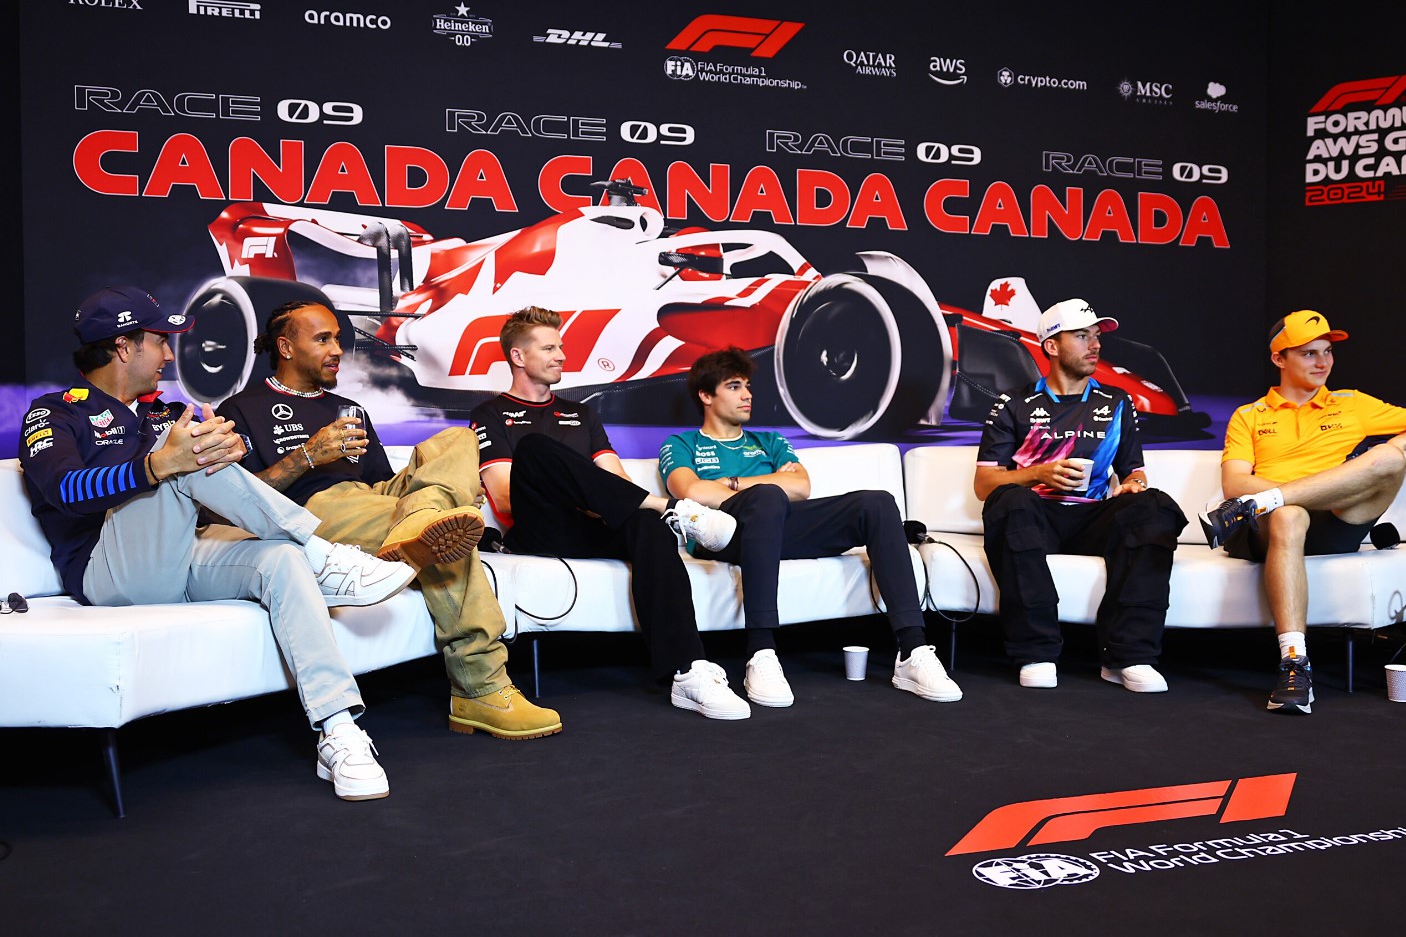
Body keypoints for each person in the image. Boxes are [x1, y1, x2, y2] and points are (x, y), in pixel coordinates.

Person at [22, 286, 415, 801]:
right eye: (160, 341)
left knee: (279, 560)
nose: (169, 354)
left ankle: (338, 730)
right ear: (123, 346)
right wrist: (157, 464)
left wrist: (225, 460)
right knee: (183, 451)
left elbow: (199, 506)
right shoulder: (54, 412)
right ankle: (327, 556)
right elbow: (64, 492)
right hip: (106, 574)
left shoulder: (162, 414)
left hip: (181, 556)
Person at [219, 300, 561, 740]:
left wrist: (440, 488)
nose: (337, 349)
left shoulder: (348, 407)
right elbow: (235, 502)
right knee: (440, 526)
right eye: (323, 339)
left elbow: (383, 482)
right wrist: (308, 456)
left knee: (457, 440)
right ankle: (482, 687)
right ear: (285, 347)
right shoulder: (243, 408)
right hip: (313, 508)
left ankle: (424, 522)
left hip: (373, 500)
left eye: (338, 339)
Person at [469, 307, 749, 719]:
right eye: (549, 348)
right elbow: (508, 500)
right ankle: (674, 510)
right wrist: (600, 498)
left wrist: (610, 502)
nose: (562, 355)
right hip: (538, 528)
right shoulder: (490, 414)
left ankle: (687, 672)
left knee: (648, 524)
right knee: (535, 450)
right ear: (518, 356)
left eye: (560, 346)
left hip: (590, 525)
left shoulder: (583, 414)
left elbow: (619, 484)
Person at [660, 347, 963, 707]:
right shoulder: (682, 444)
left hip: (780, 530)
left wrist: (728, 483)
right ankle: (761, 653)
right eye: (734, 386)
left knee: (876, 502)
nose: (747, 395)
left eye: (748, 386)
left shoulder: (768, 441)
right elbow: (691, 491)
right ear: (706, 395)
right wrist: (765, 483)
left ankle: (912, 651)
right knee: (770, 497)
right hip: (724, 536)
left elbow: (802, 487)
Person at [1200, 310, 1406, 714]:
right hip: (1269, 526)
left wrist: (1397, 448)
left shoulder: (1352, 404)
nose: (1323, 363)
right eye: (1309, 353)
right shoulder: (1250, 415)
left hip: (1333, 518)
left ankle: (1277, 499)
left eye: (1328, 352)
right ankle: (1294, 663)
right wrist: (1290, 501)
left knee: (1389, 456)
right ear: (1280, 359)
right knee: (1289, 515)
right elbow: (1235, 485)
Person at [973, 299, 1187, 692]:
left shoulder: (1117, 402)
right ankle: (1036, 652)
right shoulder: (1014, 403)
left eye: (1097, 336)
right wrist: (1038, 473)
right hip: (1038, 516)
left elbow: (1133, 470)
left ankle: (1128, 657)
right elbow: (984, 484)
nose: (1095, 345)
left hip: (1094, 517)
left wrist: (1133, 485)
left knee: (1154, 506)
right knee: (1009, 502)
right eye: (1082, 335)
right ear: (1051, 346)